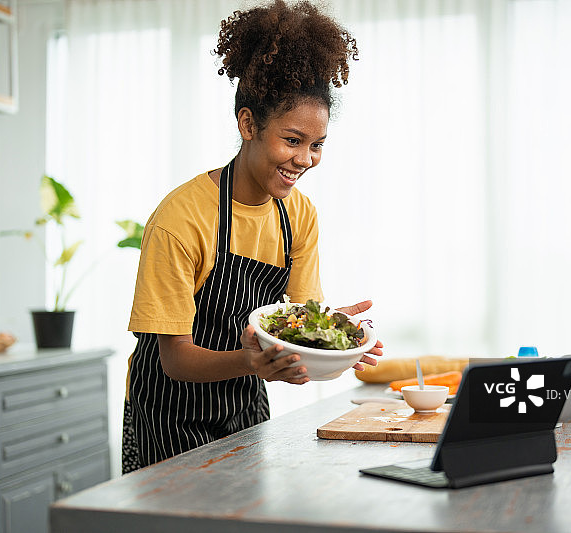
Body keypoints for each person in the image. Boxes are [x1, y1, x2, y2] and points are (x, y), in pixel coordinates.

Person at [122, 0, 383, 473]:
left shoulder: (298, 213)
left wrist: (337, 336)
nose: (305, 159)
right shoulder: (181, 217)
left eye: (317, 144)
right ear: (248, 125)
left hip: (244, 408)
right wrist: (252, 362)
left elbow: (300, 321)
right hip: (167, 414)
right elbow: (173, 360)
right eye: (292, 139)